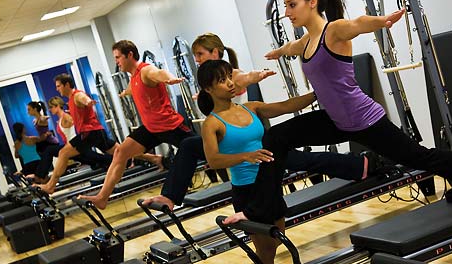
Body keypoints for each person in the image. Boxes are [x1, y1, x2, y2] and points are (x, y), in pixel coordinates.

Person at [224, 0, 452, 233]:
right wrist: (277, 53)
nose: (287, 12)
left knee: (421, 158)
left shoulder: (333, 31)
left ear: (312, 2)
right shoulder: (306, 41)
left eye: (291, 5)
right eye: (286, 6)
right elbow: (291, 48)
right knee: (276, 137)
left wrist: (381, 21)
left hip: (363, 120)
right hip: (335, 120)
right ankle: (264, 210)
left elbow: (357, 24)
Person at [142, 33, 371, 211]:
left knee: (303, 159)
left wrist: (257, 76)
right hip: (230, 140)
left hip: (248, 138)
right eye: (196, 55)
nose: (197, 59)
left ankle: (360, 165)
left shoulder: (232, 75)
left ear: (215, 52)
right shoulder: (209, 80)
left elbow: (247, 79)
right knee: (189, 146)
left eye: (200, 54)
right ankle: (170, 196)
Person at [198, 59, 317, 264]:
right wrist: (245, 156)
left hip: (269, 185)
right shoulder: (212, 123)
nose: (230, 83)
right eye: (222, 80)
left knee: (275, 243)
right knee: (265, 252)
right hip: (247, 190)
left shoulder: (250, 107)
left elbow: (286, 106)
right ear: (208, 89)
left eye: (229, 77)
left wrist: (318, 93)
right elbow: (213, 161)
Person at [78, 40, 192, 209]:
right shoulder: (134, 77)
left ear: (130, 55)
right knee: (120, 152)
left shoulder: (145, 70)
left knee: (204, 151)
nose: (116, 62)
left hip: (170, 126)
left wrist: (170, 79)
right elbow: (134, 88)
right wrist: (125, 92)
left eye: (118, 57)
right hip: (151, 129)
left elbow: (159, 73)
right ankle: (102, 198)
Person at [36, 74, 118, 194]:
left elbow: (83, 98)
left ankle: (50, 186)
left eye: (59, 86)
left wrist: (88, 102)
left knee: (63, 153)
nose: (57, 89)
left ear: (67, 85)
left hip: (89, 132)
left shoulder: (76, 95)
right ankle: (146, 157)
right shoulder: (70, 101)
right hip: (96, 132)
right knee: (120, 151)